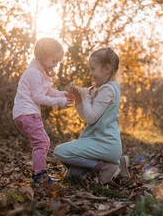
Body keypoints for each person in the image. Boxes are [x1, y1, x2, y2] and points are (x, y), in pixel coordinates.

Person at [54, 47, 130, 183]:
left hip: (104, 144)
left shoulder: (108, 89)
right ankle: (115, 166)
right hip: (97, 143)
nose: (90, 74)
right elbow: (87, 117)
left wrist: (85, 96)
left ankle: (105, 167)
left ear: (107, 69)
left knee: (60, 152)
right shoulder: (103, 88)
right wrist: (78, 99)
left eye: (93, 69)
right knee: (72, 176)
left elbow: (91, 117)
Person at [13, 37, 73, 186]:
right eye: (53, 61)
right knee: (41, 142)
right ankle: (39, 175)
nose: (55, 64)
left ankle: (38, 174)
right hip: (27, 113)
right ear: (42, 56)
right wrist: (60, 102)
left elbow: (47, 90)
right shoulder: (35, 72)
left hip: (26, 113)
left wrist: (62, 94)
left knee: (44, 141)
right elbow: (38, 97)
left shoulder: (40, 71)